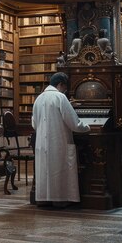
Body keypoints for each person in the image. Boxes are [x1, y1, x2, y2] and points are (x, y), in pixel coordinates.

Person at [32, 72, 90, 208]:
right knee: (59, 169)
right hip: (58, 141)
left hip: (41, 142)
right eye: (65, 88)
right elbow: (74, 123)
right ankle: (60, 199)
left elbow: (34, 124)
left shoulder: (38, 99)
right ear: (60, 84)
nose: (65, 91)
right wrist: (87, 127)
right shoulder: (60, 97)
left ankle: (43, 199)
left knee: (44, 170)